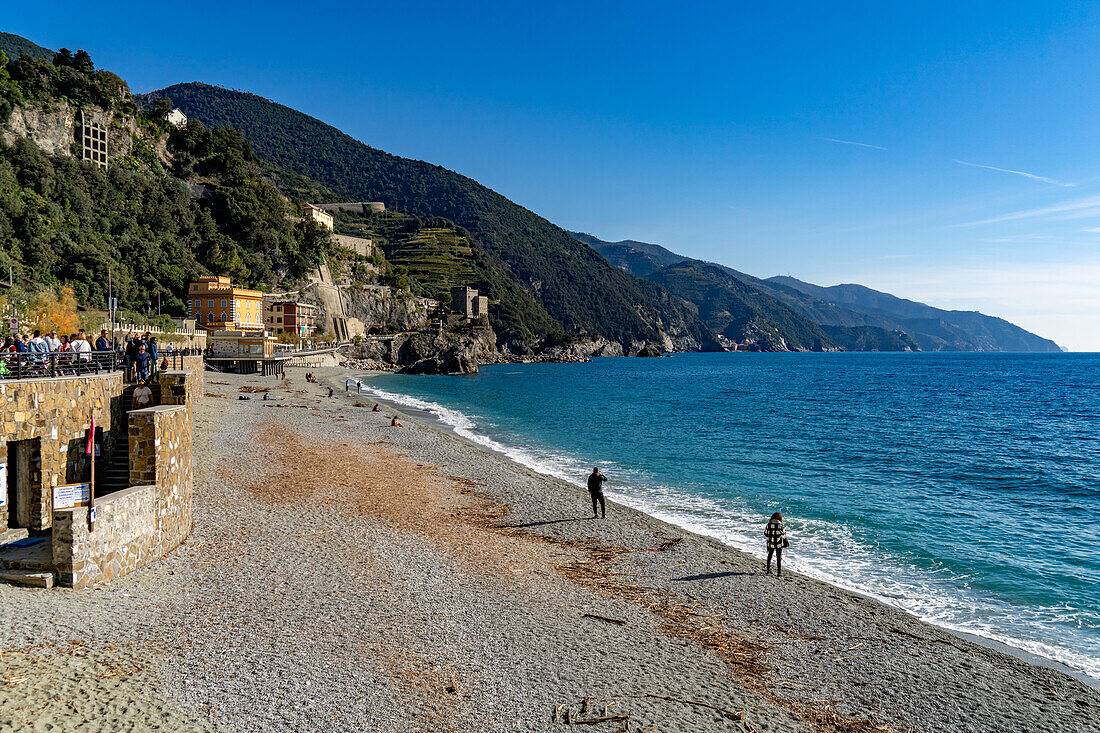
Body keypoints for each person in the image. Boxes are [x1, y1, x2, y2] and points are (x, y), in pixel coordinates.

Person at [764, 512, 788, 576]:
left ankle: (768, 570)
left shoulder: (769, 524)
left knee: (769, 556)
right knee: (778, 557)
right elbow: (783, 533)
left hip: (770, 543)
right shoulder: (781, 525)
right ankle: (779, 572)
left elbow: (766, 534)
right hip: (778, 543)